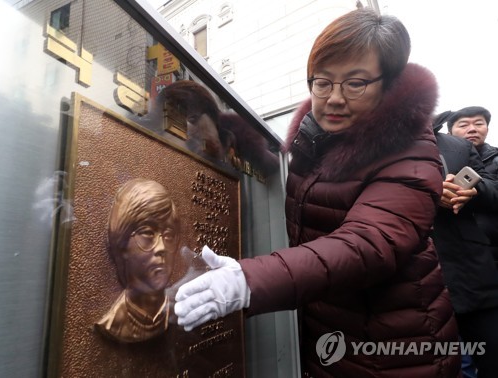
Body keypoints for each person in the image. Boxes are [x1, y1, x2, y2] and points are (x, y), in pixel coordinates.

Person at [173, 8, 461, 377]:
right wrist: (215, 125)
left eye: (355, 83)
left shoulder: (410, 153)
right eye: (322, 82)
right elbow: (266, 163)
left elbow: (367, 245)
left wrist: (249, 280)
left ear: (387, 83)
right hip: (331, 336)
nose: (334, 98)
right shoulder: (316, 139)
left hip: (397, 353)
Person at [432, 111, 498, 377]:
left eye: (478, 123)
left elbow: (492, 189)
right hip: (418, 276)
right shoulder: (379, 146)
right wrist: (430, 190)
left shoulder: (458, 147)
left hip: (473, 272)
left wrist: (472, 191)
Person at [95, 178, 181, 343]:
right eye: (148, 233)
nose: (161, 247)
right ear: (122, 243)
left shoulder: (180, 313)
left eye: (169, 235)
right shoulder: (113, 324)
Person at [446, 107, 498, 256]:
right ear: (449, 133)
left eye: (478, 124)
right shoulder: (437, 159)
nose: (472, 129)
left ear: (487, 129)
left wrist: (477, 190)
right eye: (463, 125)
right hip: (452, 250)